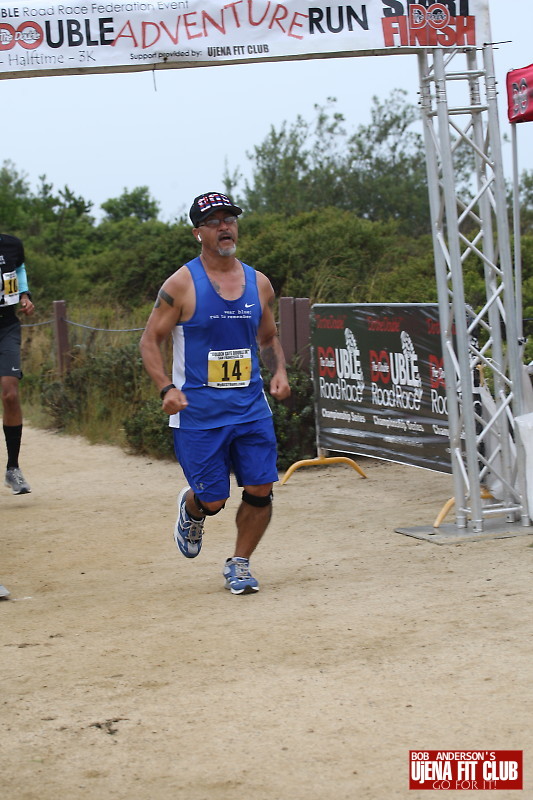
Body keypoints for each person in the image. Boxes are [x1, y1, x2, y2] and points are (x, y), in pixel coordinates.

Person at [140, 191, 290, 594]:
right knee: (214, 499)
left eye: (230, 219)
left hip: (251, 407)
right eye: (214, 222)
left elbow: (268, 336)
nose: (225, 227)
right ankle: (194, 508)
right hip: (198, 413)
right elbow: (150, 340)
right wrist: (166, 388)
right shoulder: (181, 284)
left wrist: (279, 371)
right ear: (198, 233)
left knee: (260, 488)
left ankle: (240, 563)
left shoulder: (259, 283)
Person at [1, 233, 34, 495]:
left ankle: (13, 468)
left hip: (7, 326)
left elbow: (18, 268)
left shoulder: (11, 244)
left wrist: (24, 294)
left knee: (10, 394)